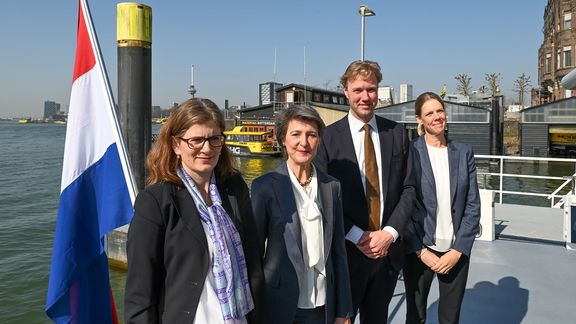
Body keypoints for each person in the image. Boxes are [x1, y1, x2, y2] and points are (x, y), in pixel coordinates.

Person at [124, 98, 262, 324]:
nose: (206, 149)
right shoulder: (156, 202)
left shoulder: (234, 188)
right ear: (176, 145)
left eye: (214, 139)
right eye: (196, 140)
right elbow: (140, 294)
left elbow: (252, 259)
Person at [314, 60, 416, 323]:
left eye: (371, 89)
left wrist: (389, 234)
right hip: (346, 255)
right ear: (346, 91)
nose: (365, 96)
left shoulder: (397, 133)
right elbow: (321, 197)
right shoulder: (327, 138)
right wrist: (358, 235)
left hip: (387, 254)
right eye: (358, 89)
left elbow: (408, 188)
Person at [251, 105, 353, 324]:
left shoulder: (332, 186)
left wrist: (344, 309)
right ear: (283, 139)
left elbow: (338, 251)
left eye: (312, 135)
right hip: (280, 302)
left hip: (324, 303)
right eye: (295, 134)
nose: (304, 143)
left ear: (319, 140)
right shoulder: (265, 187)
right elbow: (254, 253)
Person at [403, 92, 481, 324]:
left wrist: (458, 250)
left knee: (450, 318)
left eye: (440, 111)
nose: (437, 117)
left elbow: (472, 204)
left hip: (456, 251)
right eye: (429, 113)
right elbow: (404, 204)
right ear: (419, 119)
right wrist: (420, 251)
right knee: (415, 316)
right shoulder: (409, 152)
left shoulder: (463, 151)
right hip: (420, 250)